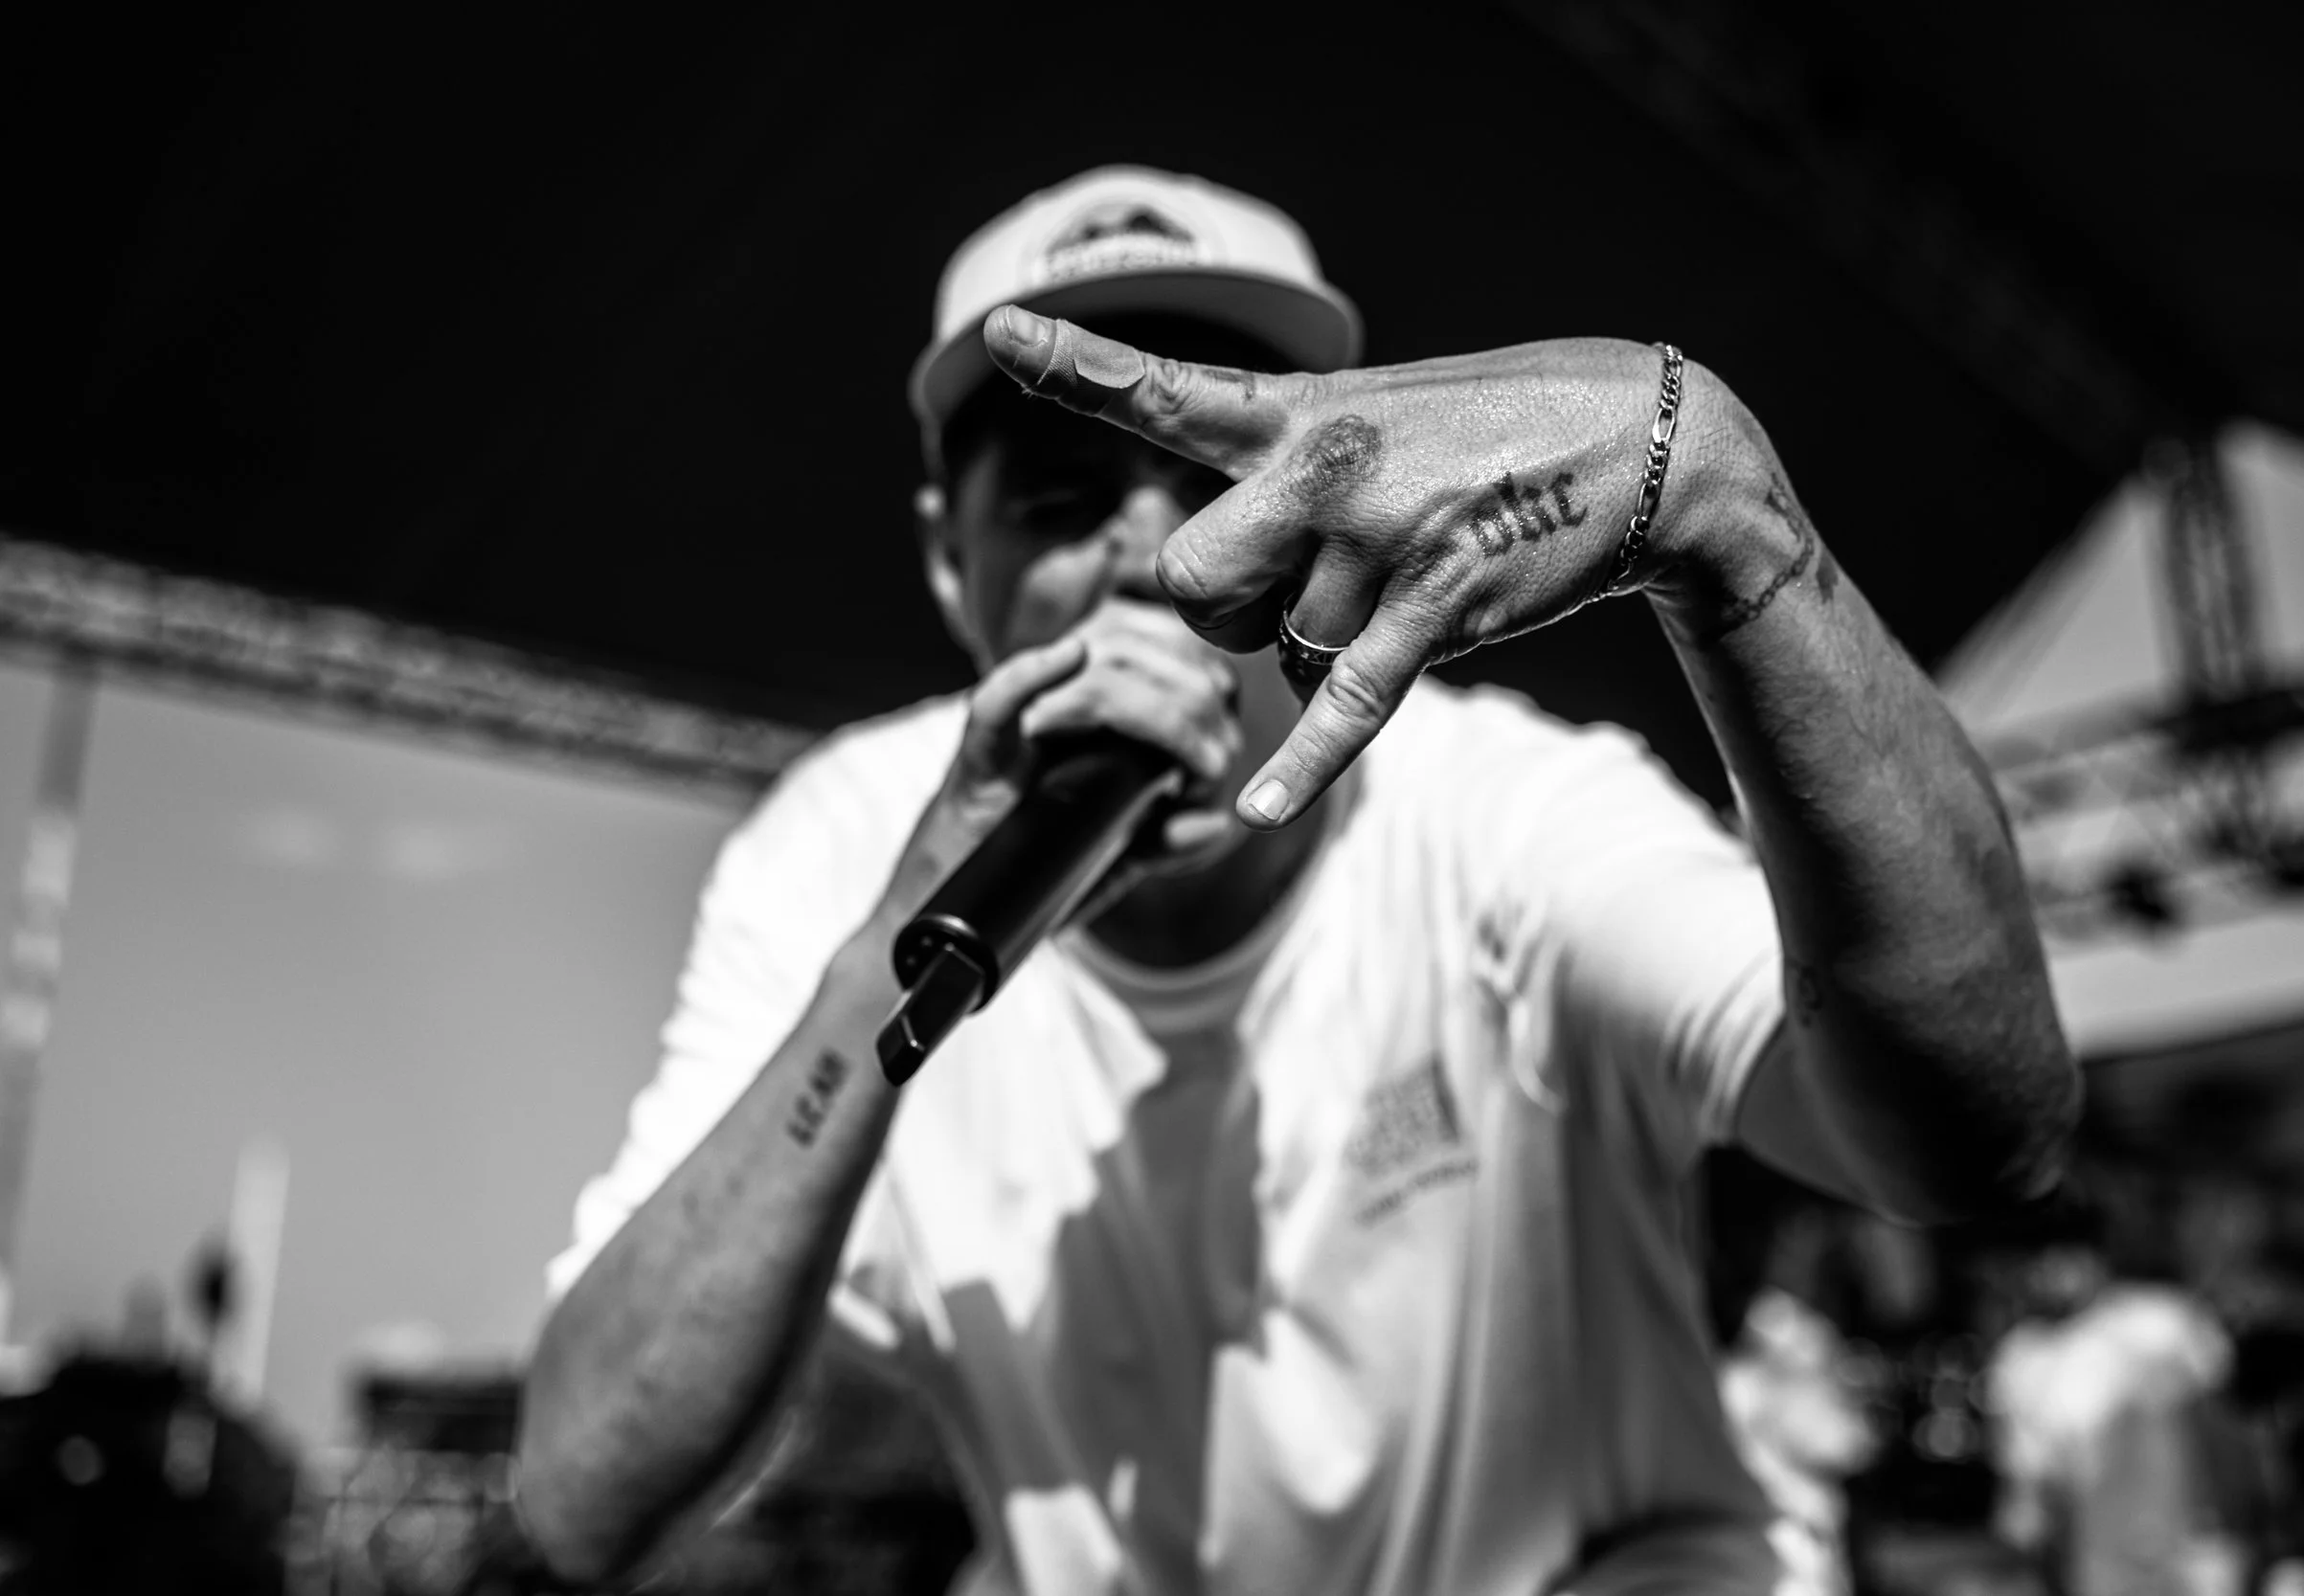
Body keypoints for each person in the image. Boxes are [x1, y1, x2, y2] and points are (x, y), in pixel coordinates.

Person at [515, 166, 2080, 1595]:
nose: (1148, 560)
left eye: (1215, 475)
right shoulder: (846, 843)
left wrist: (1731, 515)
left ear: (1351, 490)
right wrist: (902, 945)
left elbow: (1980, 1130)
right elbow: (591, 1492)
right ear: (949, 560)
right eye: (1059, 503)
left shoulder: (1496, 806)